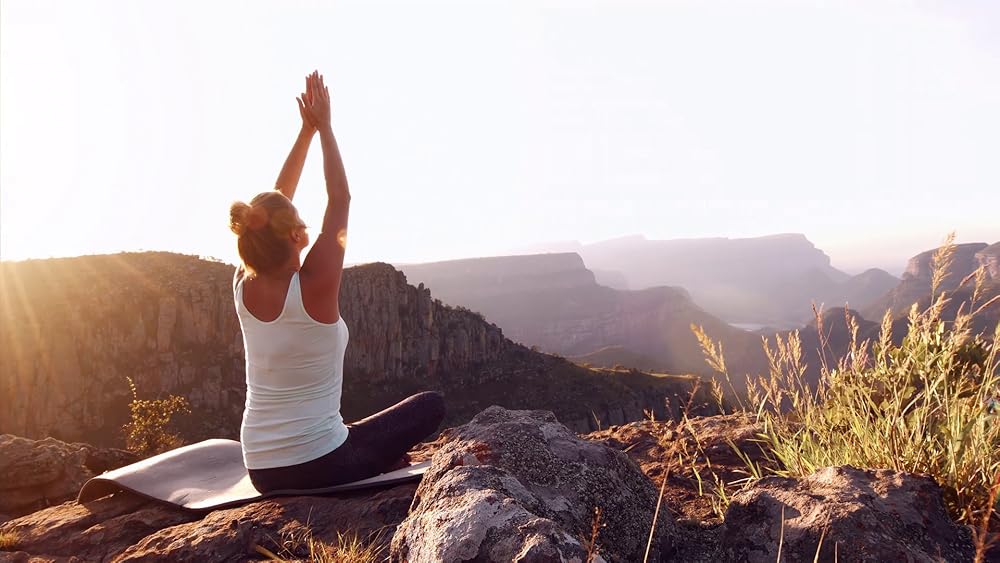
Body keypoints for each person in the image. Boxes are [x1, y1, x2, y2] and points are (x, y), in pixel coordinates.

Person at [228, 71, 445, 492]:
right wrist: (324, 128)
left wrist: (305, 134)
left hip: (261, 469)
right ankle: (374, 463)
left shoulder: (243, 283)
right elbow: (340, 199)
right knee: (430, 405)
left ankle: (364, 451)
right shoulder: (316, 287)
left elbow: (274, 205)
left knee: (351, 428)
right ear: (296, 235)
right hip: (323, 464)